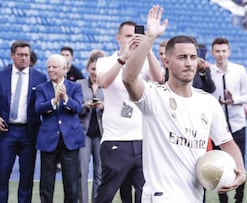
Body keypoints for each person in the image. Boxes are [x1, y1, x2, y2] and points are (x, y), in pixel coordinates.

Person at [122, 5, 247, 202]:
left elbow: (226, 142)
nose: (189, 63)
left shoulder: (208, 102)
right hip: (160, 197)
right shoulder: (155, 96)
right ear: (167, 62)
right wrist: (149, 39)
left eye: (192, 57)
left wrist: (241, 169)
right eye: (182, 57)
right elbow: (129, 78)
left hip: (194, 197)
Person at [94, 20, 163, 203]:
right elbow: (104, 82)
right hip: (115, 140)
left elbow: (160, 79)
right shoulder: (106, 61)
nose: (133, 39)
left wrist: (146, 48)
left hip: (143, 139)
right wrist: (123, 58)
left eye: (136, 35)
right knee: (106, 193)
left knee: (145, 194)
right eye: (128, 36)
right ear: (118, 38)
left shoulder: (145, 62)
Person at [0, 40, 47, 203]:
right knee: (2, 174)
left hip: (29, 133)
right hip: (6, 132)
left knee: (27, 177)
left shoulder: (40, 77)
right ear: (12, 55)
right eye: (20, 55)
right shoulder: (2, 75)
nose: (24, 58)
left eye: (26, 55)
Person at [35, 54, 85, 203]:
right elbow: (37, 108)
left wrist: (65, 99)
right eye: (48, 67)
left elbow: (78, 108)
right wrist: (54, 101)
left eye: (54, 67)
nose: (50, 70)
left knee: (71, 184)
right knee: (46, 184)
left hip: (70, 140)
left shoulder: (75, 87)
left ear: (64, 69)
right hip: (48, 140)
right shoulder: (41, 88)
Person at [209, 37, 247, 203]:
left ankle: (239, 198)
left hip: (237, 124)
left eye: (224, 51)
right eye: (217, 51)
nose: (221, 54)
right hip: (217, 127)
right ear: (213, 53)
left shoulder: (239, 70)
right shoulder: (209, 72)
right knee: (219, 165)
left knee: (239, 163)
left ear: (229, 52)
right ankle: (223, 199)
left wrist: (235, 100)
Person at [77, 50, 105, 203]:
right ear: (88, 68)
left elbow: (117, 109)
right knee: (82, 172)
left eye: (98, 69)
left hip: (102, 135)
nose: (95, 72)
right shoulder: (79, 84)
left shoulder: (109, 85)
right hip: (84, 134)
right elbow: (74, 108)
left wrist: (104, 107)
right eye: (93, 69)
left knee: (100, 173)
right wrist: (85, 106)